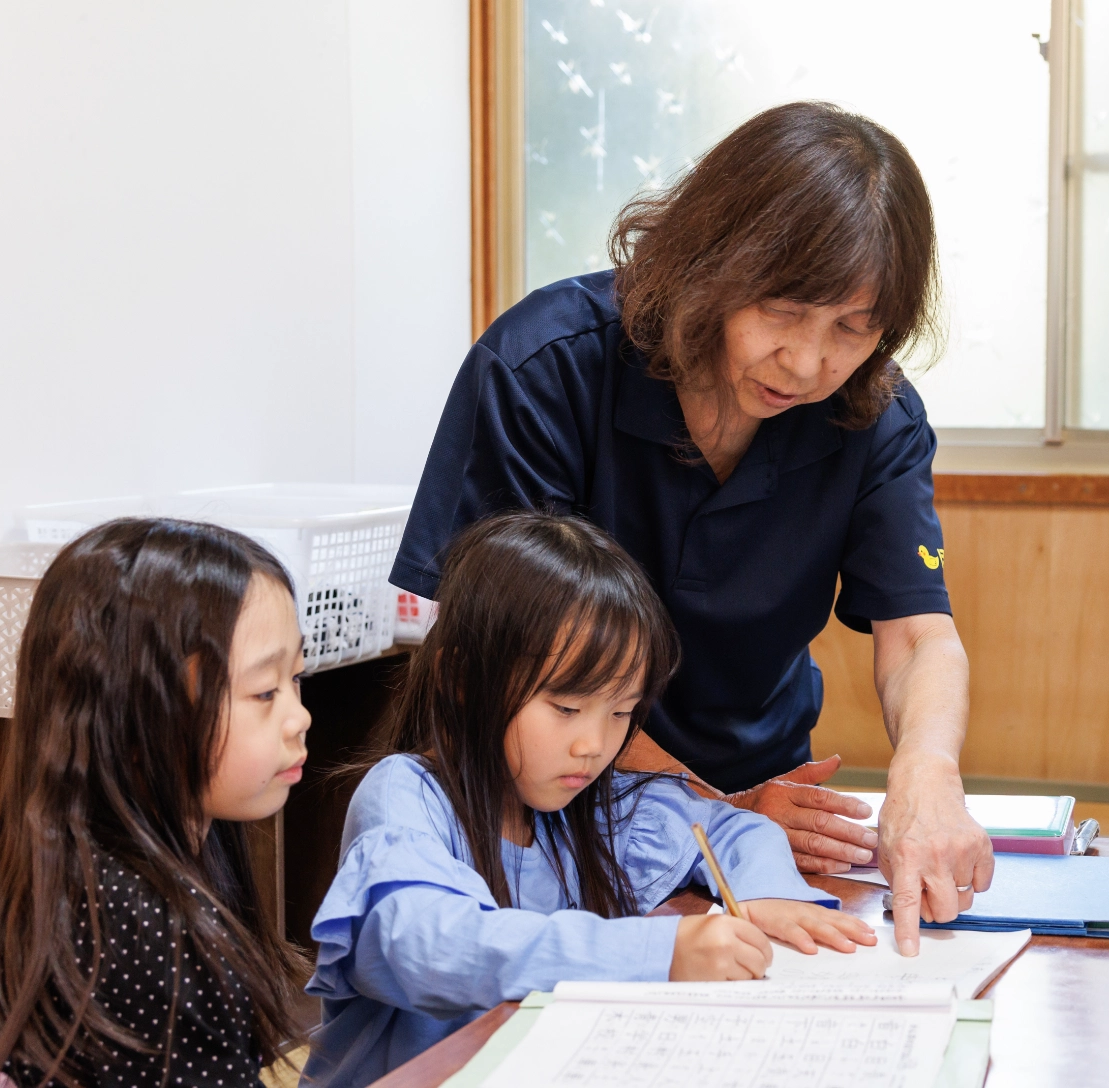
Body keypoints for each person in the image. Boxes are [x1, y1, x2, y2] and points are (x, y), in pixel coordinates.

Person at [391, 101, 991, 954]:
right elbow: (502, 653)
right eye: (784, 311)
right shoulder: (546, 369)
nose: (810, 363)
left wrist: (928, 771)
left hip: (756, 810)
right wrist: (705, 803)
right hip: (545, 813)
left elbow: (919, 634)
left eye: (853, 329)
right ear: (712, 260)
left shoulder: (873, 416)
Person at [305, 512, 875, 1085]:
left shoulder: (590, 805)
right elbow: (433, 946)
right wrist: (656, 953)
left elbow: (733, 829)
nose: (595, 745)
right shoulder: (405, 795)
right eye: (566, 709)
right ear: (463, 678)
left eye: (621, 712)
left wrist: (764, 894)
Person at [0, 519, 313, 1088]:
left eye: (297, 677)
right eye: (264, 692)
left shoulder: (48, 873)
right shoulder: (158, 935)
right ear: (138, 719)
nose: (299, 717)